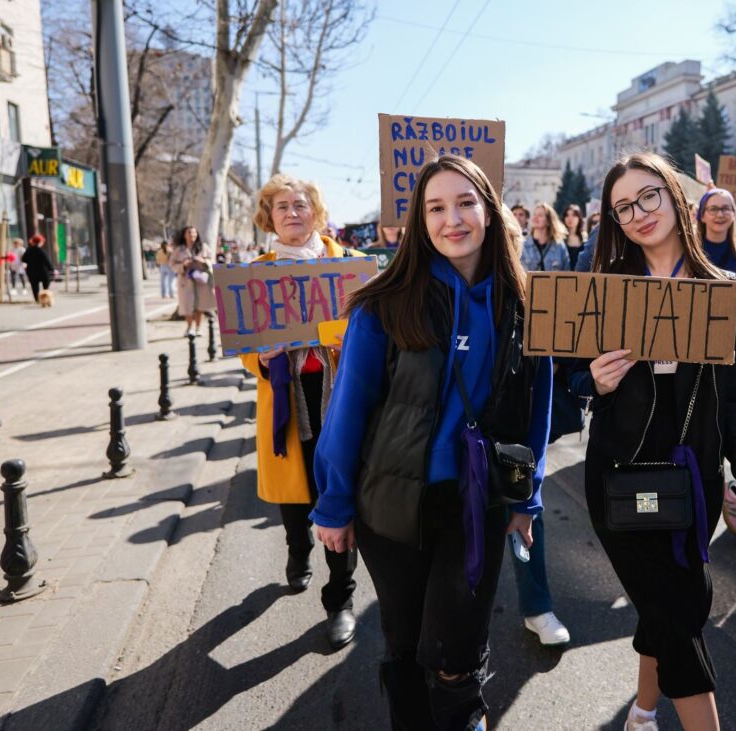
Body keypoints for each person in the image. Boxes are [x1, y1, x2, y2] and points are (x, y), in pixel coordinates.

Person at [312, 155, 552, 731]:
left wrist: (527, 500)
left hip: (479, 504)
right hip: (390, 507)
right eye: (436, 208)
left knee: (456, 656)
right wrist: (334, 504)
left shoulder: (527, 304)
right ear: (420, 222)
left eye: (465, 203)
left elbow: (535, 411)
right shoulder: (382, 305)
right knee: (404, 645)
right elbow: (347, 415)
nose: (453, 220)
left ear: (490, 213)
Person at [577, 152, 736, 731]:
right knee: (678, 617)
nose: (639, 213)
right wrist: (591, 379)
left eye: (648, 197)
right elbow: (565, 376)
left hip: (692, 485)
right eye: (623, 207)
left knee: (675, 607)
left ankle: (643, 713)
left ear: (675, 197)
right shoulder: (604, 289)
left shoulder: (725, 293)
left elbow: (735, 412)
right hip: (619, 481)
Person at [240, 174, 361, 650]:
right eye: (282, 206)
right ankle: (297, 548)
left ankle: (341, 599)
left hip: (340, 393)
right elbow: (246, 347)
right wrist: (261, 357)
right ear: (269, 217)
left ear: (317, 211)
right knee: (296, 497)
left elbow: (370, 330)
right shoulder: (255, 273)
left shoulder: (348, 266)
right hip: (287, 398)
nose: (293, 212)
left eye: (301, 204)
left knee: (337, 491)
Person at [512, 205, 572, 649]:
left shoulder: (529, 308)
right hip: (451, 444)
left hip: (510, 439)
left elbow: (542, 395)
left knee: (525, 519)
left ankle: (537, 607)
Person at [697, 188, 736, 423]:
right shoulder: (692, 246)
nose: (720, 214)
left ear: (734, 214)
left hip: (732, 324)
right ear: (702, 215)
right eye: (713, 208)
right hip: (700, 327)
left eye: (726, 208)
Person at [168, 226, 216, 335]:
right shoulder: (179, 250)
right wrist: (183, 265)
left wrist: (203, 261)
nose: (192, 235)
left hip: (201, 280)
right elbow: (172, 264)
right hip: (185, 280)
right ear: (184, 235)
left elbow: (212, 260)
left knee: (201, 304)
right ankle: (189, 328)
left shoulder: (203, 247)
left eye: (194, 233)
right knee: (187, 305)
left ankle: (198, 328)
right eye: (189, 233)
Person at [521, 202, 571, 273]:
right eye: (534, 214)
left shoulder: (559, 246)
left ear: (548, 221)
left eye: (540, 215)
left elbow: (567, 273)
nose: (535, 218)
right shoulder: (523, 245)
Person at [22, 234, 54, 303]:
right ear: (40, 242)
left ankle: (37, 299)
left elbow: (23, 259)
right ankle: (45, 298)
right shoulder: (40, 250)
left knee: (34, 286)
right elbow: (46, 260)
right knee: (46, 284)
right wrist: (51, 269)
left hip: (31, 270)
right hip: (42, 270)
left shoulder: (28, 250)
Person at [563, 203, 587, 270]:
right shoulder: (560, 239)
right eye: (567, 215)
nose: (570, 218)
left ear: (579, 218)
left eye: (574, 215)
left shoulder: (585, 239)